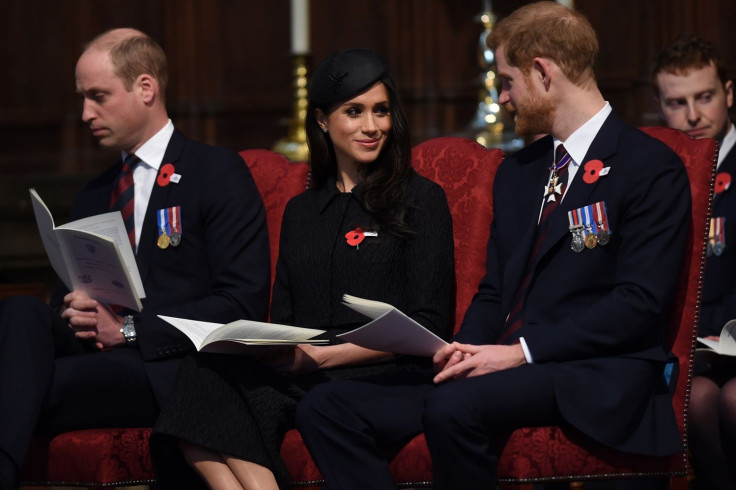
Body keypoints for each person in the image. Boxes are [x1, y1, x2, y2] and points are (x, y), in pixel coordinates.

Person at [295, 3, 690, 489]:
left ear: (542, 73)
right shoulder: (521, 173)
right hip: (506, 366)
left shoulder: (649, 167)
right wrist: (464, 350)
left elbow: (638, 306)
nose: (503, 97)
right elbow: (495, 289)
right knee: (326, 407)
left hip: (590, 373)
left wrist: (520, 352)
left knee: (454, 407)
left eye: (507, 80)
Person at [149, 49, 455, 490]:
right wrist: (261, 345)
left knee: (321, 401)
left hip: (389, 375)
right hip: (308, 371)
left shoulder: (423, 199)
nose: (372, 127)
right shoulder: (301, 211)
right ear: (323, 121)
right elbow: (288, 322)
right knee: (199, 376)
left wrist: (325, 356)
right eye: (355, 112)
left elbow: (431, 324)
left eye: (381, 111)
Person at [0, 28, 270, 489]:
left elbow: (240, 304)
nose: (86, 113)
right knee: (22, 311)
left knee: (21, 387)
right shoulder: (94, 192)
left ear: (145, 88)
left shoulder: (215, 172)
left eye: (98, 96)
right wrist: (72, 310)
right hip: (93, 354)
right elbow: (68, 294)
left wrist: (127, 330)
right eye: (83, 98)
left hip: (167, 365)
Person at [653, 33, 736, 490]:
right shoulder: (658, 174)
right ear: (659, 105)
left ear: (728, 92)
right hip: (692, 351)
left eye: (704, 97)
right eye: (676, 102)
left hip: (733, 337)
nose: (692, 115)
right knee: (698, 399)